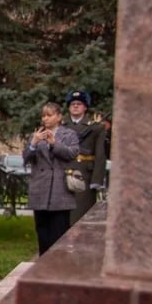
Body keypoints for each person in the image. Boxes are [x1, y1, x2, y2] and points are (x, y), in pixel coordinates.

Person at [23, 102, 79, 256]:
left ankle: (58, 268)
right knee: (42, 232)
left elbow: (72, 154)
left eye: (49, 115)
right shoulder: (37, 134)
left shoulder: (69, 134)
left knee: (59, 233)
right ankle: (42, 265)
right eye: (43, 116)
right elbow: (25, 158)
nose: (45, 119)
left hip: (59, 190)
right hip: (40, 188)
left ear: (59, 117)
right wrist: (33, 144)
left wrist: (55, 144)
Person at [62, 89, 108, 224]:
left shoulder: (96, 127)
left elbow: (100, 155)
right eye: (73, 104)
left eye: (79, 104)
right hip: (63, 174)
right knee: (62, 216)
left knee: (80, 215)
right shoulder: (61, 125)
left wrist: (97, 180)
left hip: (84, 176)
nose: (75, 106)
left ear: (85, 107)